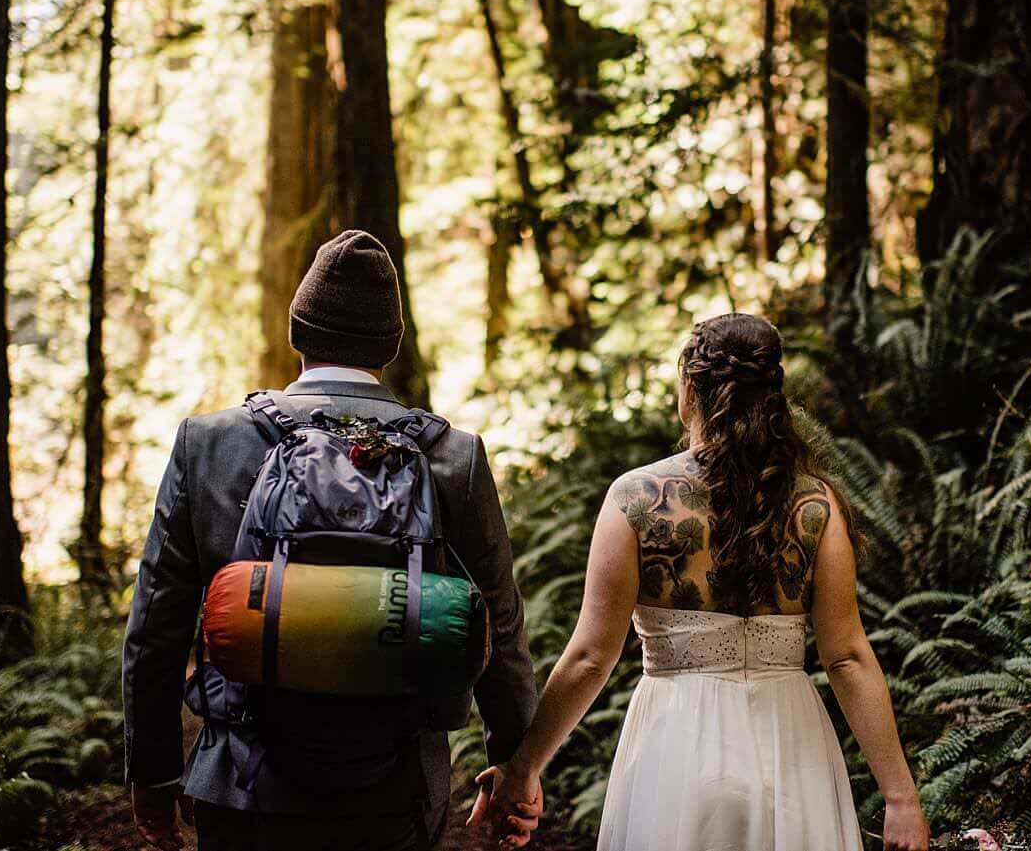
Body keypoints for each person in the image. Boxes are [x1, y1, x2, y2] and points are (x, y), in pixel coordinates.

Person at [123, 230, 539, 851]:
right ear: (392, 346)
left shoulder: (208, 444)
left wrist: (154, 775)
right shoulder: (454, 457)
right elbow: (498, 628)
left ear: (298, 332)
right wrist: (515, 767)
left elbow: (156, 627)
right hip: (397, 791)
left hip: (243, 786)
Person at [469, 312, 931, 851]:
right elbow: (847, 657)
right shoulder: (814, 505)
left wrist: (524, 767)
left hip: (675, 747)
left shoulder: (636, 500)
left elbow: (593, 656)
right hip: (790, 749)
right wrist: (901, 798)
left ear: (690, 388)